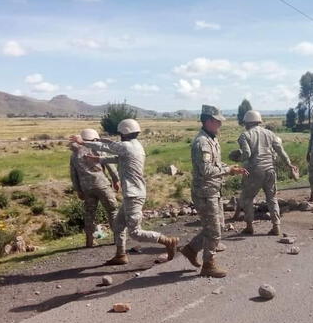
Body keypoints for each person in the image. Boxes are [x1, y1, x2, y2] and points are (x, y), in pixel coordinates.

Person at [69, 119, 179, 265]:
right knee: (118, 225)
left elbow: (107, 146)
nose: (119, 136)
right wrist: (98, 159)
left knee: (135, 232)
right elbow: (117, 158)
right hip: (132, 194)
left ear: (124, 133)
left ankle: (167, 241)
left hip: (134, 195)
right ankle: (120, 255)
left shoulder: (126, 146)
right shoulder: (135, 146)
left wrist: (83, 142)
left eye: (120, 133)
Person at [179, 105, 248, 278]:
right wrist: (228, 171)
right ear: (208, 121)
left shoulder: (212, 138)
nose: (220, 124)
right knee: (214, 230)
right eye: (217, 121)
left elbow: (216, 164)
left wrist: (230, 167)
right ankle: (208, 265)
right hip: (205, 192)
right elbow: (206, 170)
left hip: (213, 190)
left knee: (216, 227)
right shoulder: (202, 142)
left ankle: (191, 249)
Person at [237, 110, 297, 236]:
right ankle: (276, 226)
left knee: (248, 199)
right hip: (270, 170)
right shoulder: (270, 134)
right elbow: (281, 151)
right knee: (272, 198)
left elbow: (246, 154)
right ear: (259, 121)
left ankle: (249, 227)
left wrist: (237, 158)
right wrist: (289, 164)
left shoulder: (245, 135)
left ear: (247, 122)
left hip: (254, 171)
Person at [69, 128, 120, 248]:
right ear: (94, 138)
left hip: (86, 188)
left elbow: (73, 175)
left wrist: (78, 190)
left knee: (89, 213)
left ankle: (90, 241)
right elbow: (110, 166)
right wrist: (116, 180)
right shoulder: (98, 148)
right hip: (102, 185)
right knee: (112, 210)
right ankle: (118, 237)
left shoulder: (74, 154)